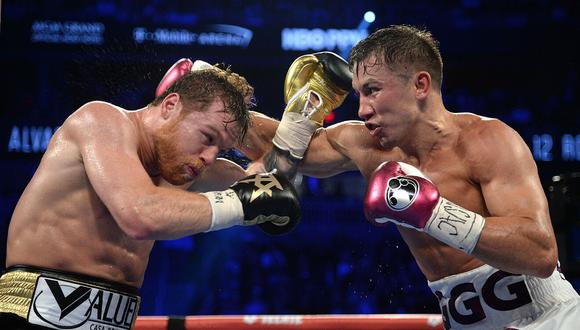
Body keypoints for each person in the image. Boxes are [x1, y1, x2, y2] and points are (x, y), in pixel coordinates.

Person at [243, 25, 580, 329]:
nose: (362, 108)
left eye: (373, 90)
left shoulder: (487, 140)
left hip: (549, 318)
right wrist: (217, 101)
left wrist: (433, 213)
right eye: (359, 93)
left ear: (420, 84)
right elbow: (283, 152)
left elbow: (540, 253)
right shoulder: (366, 144)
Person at [0, 60, 301, 330]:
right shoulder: (101, 121)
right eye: (207, 137)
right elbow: (139, 214)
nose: (210, 157)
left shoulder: (185, 169)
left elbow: (272, 184)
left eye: (220, 149)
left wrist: (305, 116)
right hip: (33, 316)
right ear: (170, 105)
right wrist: (241, 204)